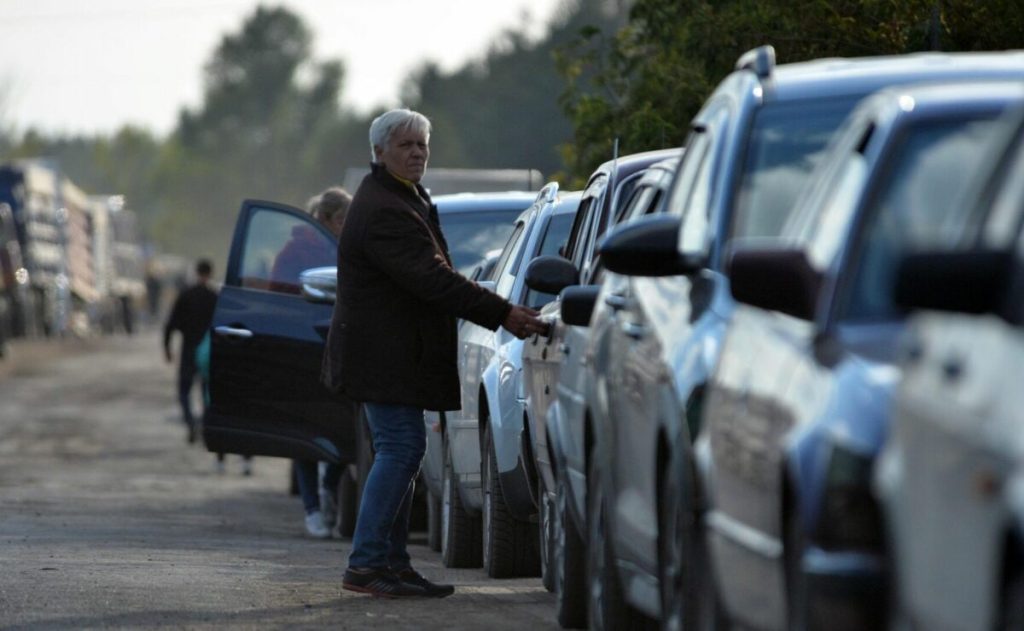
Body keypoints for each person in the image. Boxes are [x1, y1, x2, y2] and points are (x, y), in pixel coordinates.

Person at [321, 108, 545, 598]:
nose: (417, 152)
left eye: (422, 144)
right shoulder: (385, 209)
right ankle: (367, 563)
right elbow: (432, 277)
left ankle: (391, 564)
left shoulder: (404, 197)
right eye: (405, 145)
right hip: (383, 357)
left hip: (391, 355)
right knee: (402, 448)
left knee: (401, 449)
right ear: (379, 153)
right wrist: (502, 311)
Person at [286, 187, 352, 538]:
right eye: (342, 219)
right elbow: (280, 292)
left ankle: (329, 487)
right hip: (303, 346)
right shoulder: (295, 250)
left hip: (341, 349)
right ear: (325, 220)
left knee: (342, 426)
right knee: (306, 431)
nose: (346, 226)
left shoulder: (351, 248)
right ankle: (312, 507)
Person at [163, 258, 218, 444]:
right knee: (206, 393)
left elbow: (170, 324)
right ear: (210, 273)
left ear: (196, 272)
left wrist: (167, 348)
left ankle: (190, 421)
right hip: (208, 354)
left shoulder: (186, 295)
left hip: (188, 350)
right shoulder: (215, 298)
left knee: (184, 391)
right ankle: (204, 424)